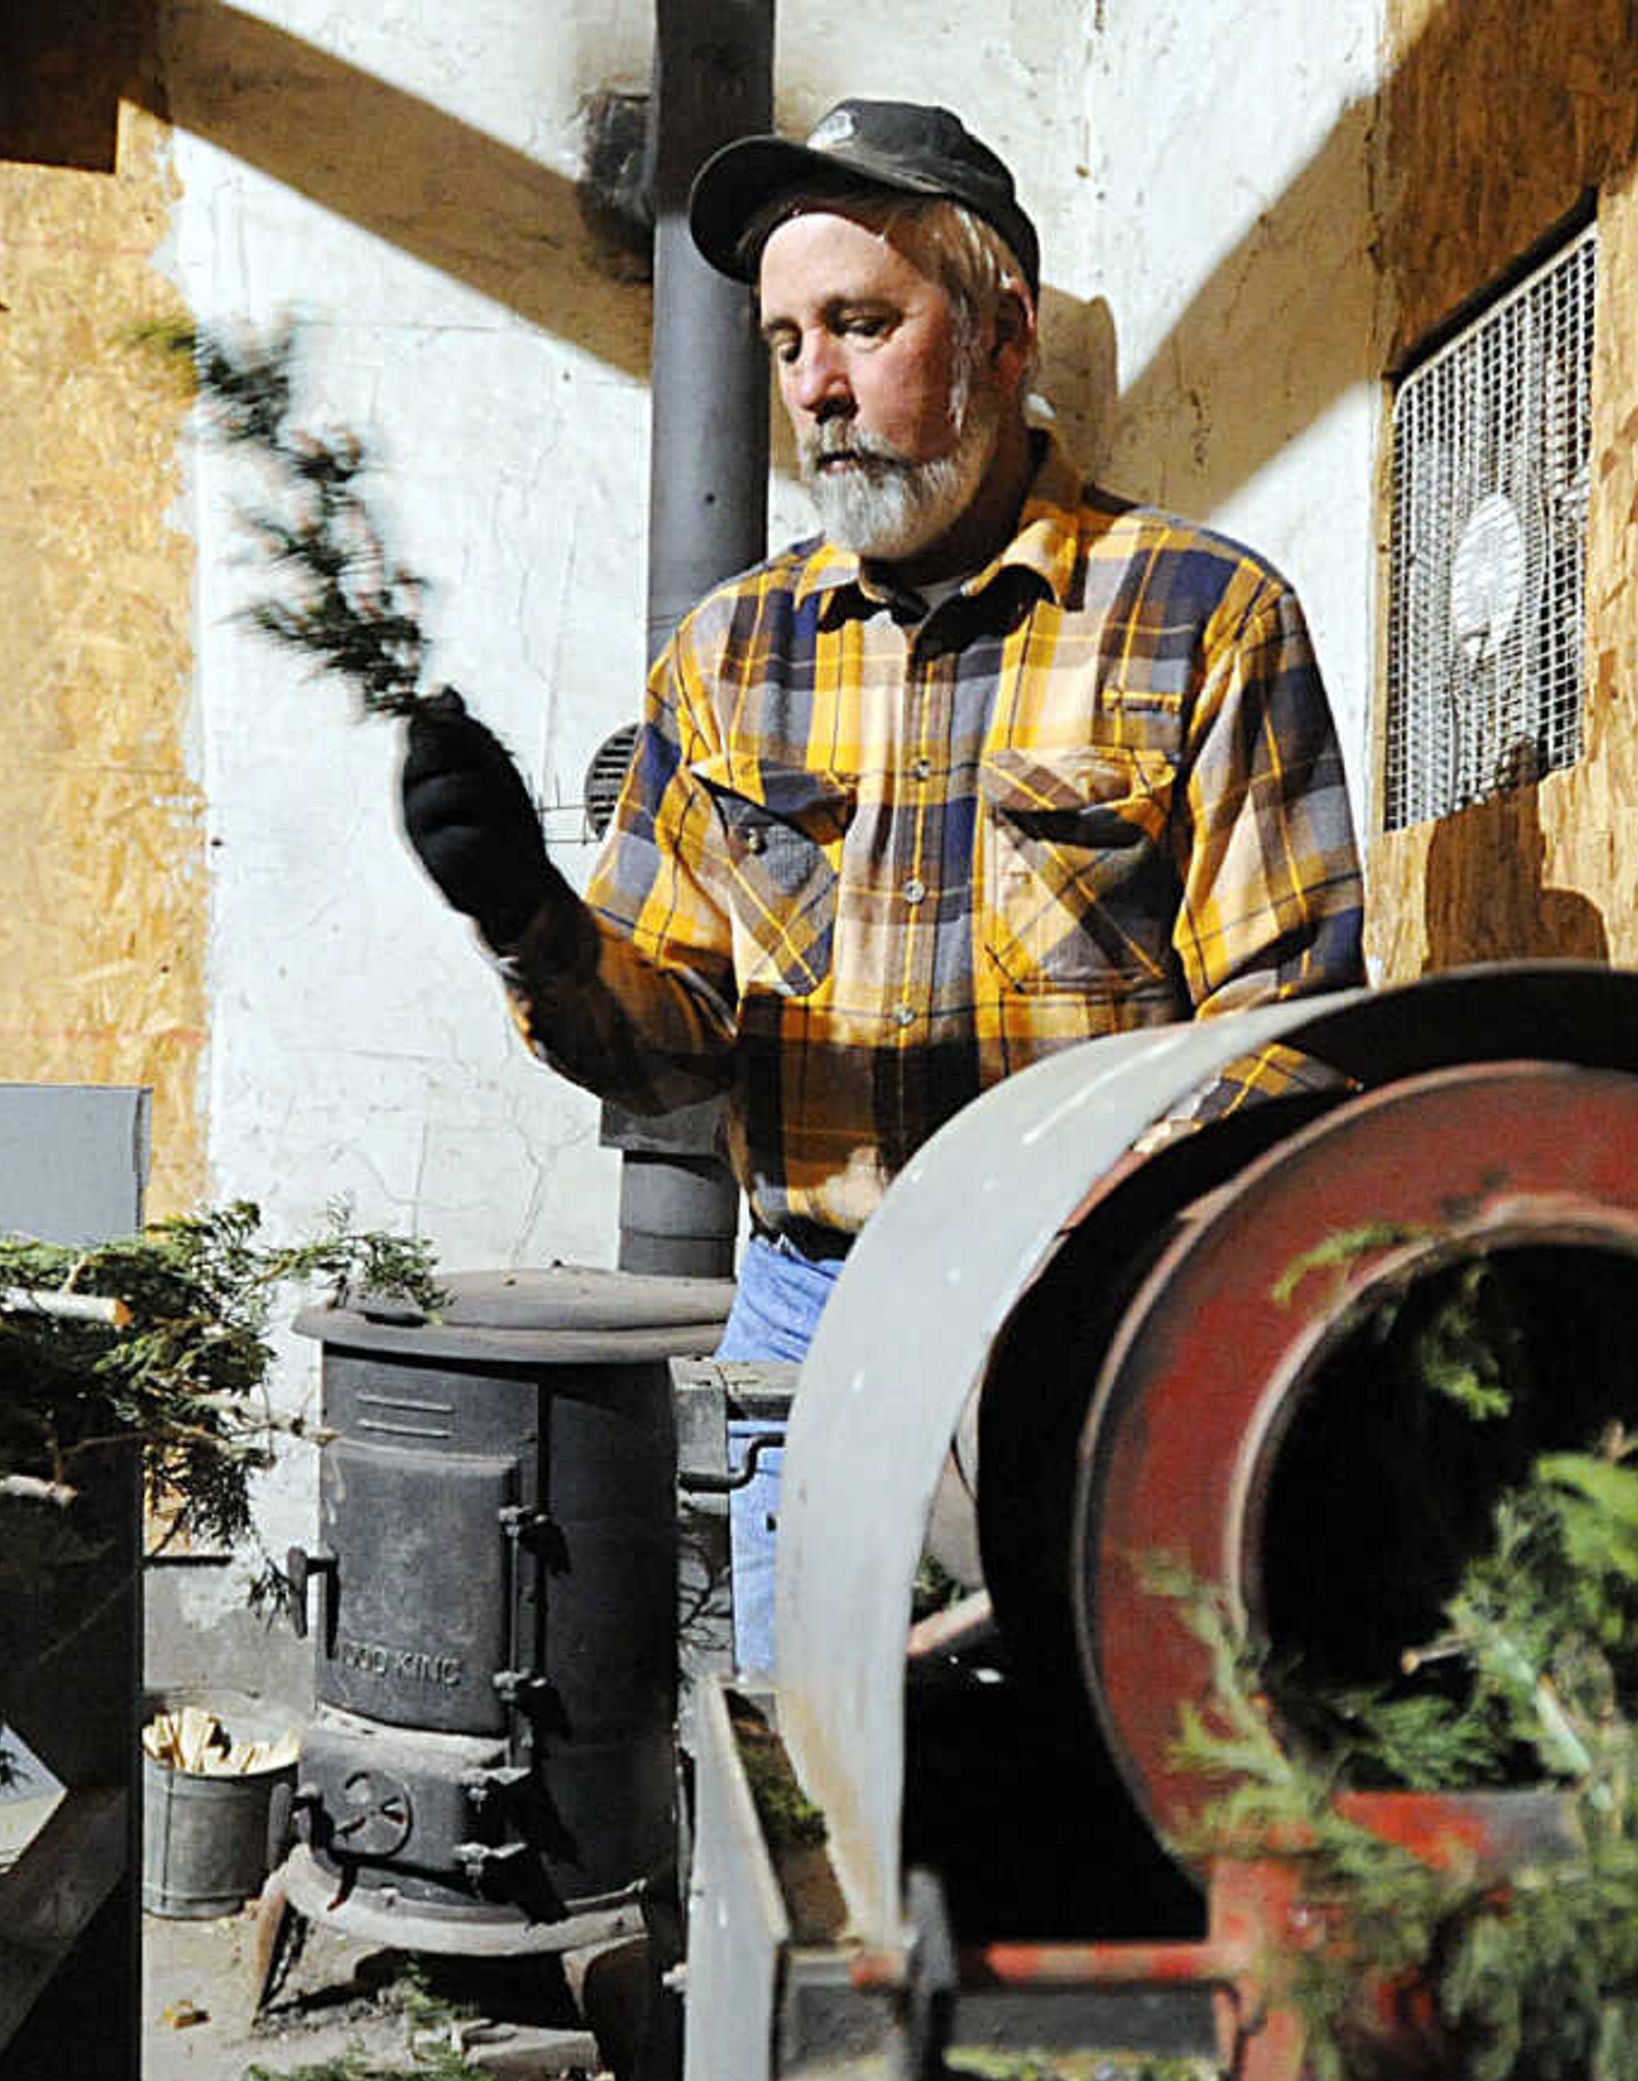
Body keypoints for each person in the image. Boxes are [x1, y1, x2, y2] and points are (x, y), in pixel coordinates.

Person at [396, 96, 1367, 1682]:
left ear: (1002, 331)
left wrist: (1067, 1294)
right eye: (785, 344)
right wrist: (530, 919)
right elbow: (670, 1045)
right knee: (825, 1812)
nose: (817, 391)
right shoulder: (731, 658)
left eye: (859, 324)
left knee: (1080, 1794)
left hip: (1097, 1321)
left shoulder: (1202, 619)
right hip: (810, 1320)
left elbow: (1286, 1037)